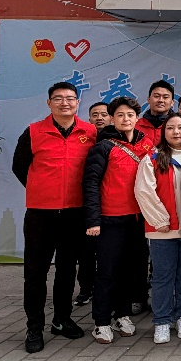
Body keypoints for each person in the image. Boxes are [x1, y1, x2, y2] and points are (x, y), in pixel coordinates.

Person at [12, 82, 97, 353]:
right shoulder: (34, 132)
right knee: (35, 273)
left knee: (66, 269)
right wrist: (42, 189)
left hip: (75, 213)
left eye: (70, 98)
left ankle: (61, 319)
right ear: (48, 103)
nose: (65, 103)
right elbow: (19, 166)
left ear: (78, 102)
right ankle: (34, 327)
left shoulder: (90, 132)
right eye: (58, 99)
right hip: (40, 215)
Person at [83, 97, 154, 345]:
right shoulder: (103, 147)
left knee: (130, 271)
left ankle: (121, 315)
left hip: (138, 219)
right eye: (120, 115)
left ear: (137, 118)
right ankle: (101, 322)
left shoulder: (147, 145)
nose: (126, 119)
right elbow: (91, 184)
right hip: (109, 219)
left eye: (130, 115)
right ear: (112, 118)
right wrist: (93, 220)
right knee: (107, 271)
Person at [134, 113, 181, 344]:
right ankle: (161, 320)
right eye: (171, 128)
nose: (176, 132)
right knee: (162, 276)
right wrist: (160, 219)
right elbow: (144, 191)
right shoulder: (152, 157)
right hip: (162, 230)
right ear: (163, 132)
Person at [75, 101, 111, 306]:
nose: (99, 118)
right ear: (89, 118)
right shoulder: (83, 139)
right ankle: (86, 288)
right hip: (86, 203)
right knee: (86, 250)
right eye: (95, 114)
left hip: (111, 204)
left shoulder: (118, 139)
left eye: (103, 114)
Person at [135, 79, 175, 145]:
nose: (160, 100)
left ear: (172, 102)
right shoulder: (135, 126)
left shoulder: (179, 126)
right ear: (148, 99)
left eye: (165, 97)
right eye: (156, 96)